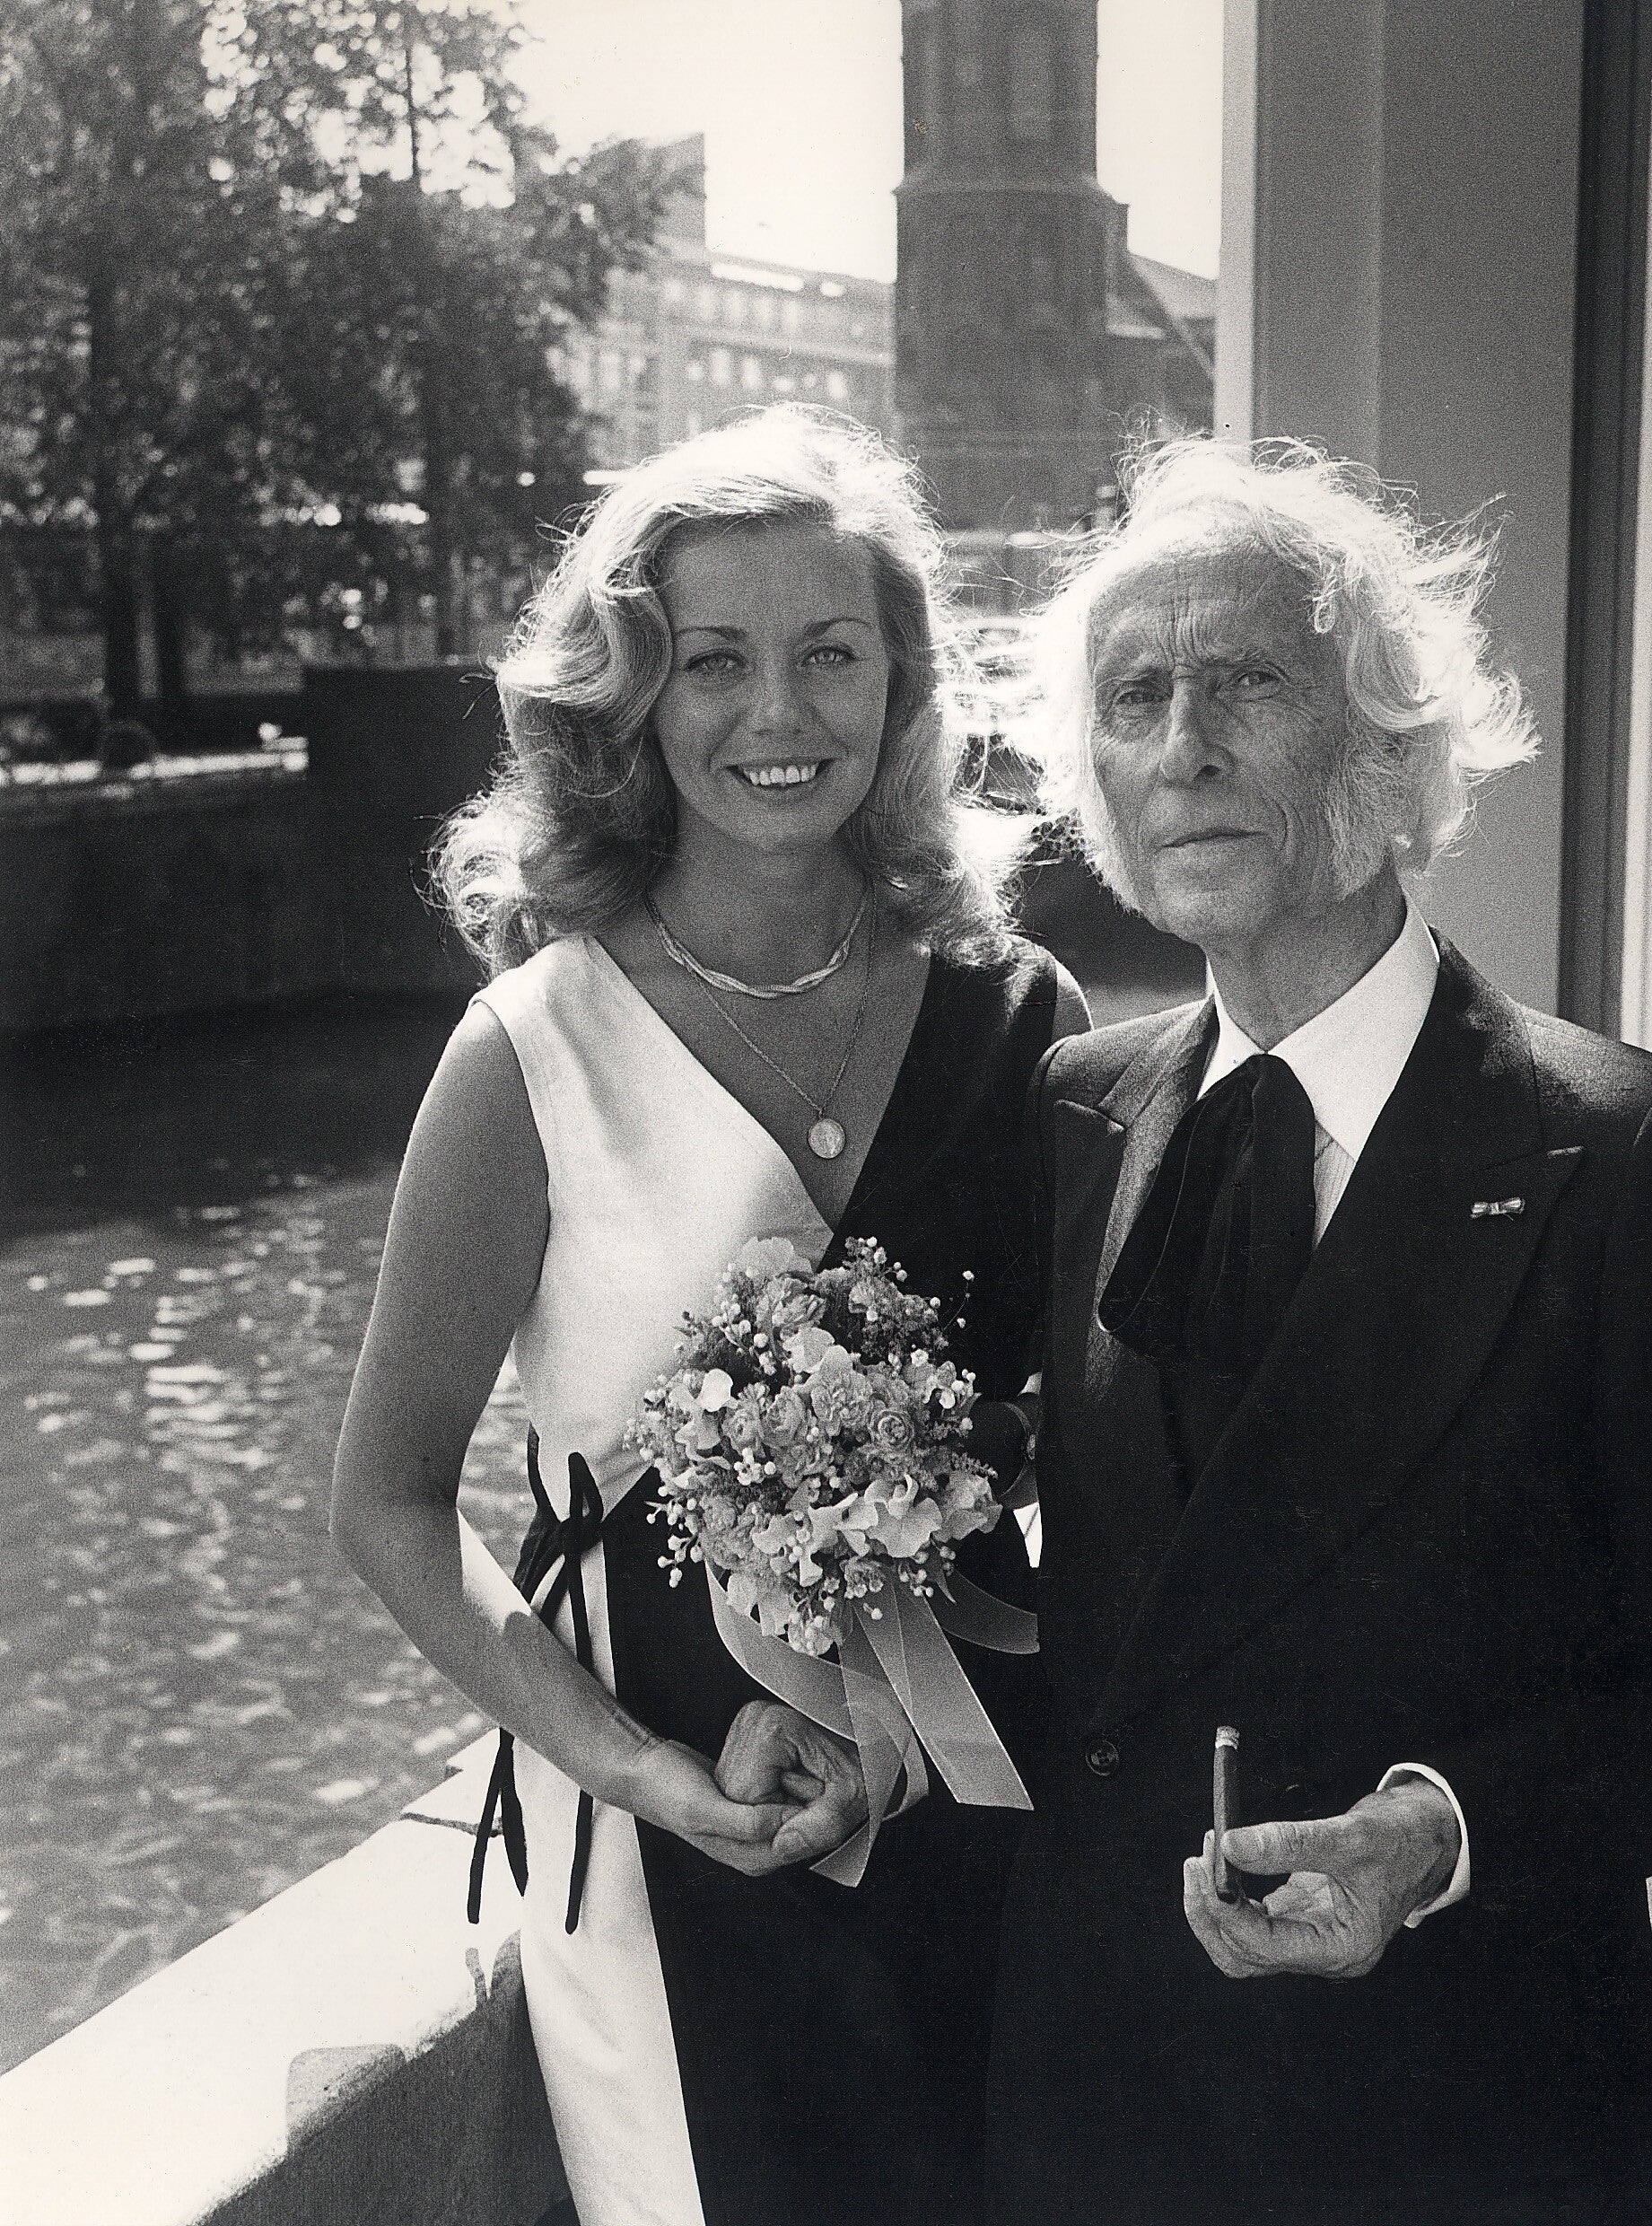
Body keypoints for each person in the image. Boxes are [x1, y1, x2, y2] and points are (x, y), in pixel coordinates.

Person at [331, 405, 1088, 2226]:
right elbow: (386, 1501)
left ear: (901, 681)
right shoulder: (530, 1054)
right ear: (633, 700)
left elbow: (1099, 1425)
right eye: (715, 661)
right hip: (674, 1828)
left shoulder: (1024, 1013)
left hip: (985, 1799)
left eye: (831, 653)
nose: (779, 714)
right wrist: (634, 1773)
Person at [987, 439, 1652, 2224]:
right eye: (1134, 698)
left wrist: (1437, 1830)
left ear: (1387, 740)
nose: (1183, 747)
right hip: (1101, 2105)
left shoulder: (1616, 1157)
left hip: (1465, 2118)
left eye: (1248, 683)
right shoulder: (1076, 1105)